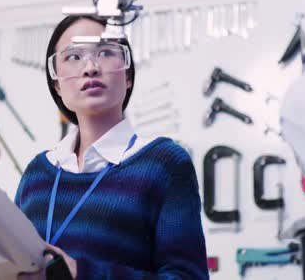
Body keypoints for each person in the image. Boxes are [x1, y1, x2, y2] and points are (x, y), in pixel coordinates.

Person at [14, 15, 208, 279]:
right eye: (73, 56)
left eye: (105, 52)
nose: (90, 67)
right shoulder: (36, 174)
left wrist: (80, 274)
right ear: (56, 83)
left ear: (128, 75)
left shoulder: (164, 164)